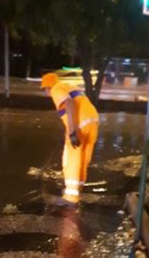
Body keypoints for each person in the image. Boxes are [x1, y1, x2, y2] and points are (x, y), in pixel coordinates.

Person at [41, 73, 99, 206]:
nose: (46, 92)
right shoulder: (69, 85)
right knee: (83, 158)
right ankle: (77, 190)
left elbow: (69, 102)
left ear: (48, 86)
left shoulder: (56, 89)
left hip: (79, 125)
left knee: (71, 160)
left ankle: (70, 198)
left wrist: (72, 131)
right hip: (93, 121)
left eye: (45, 89)